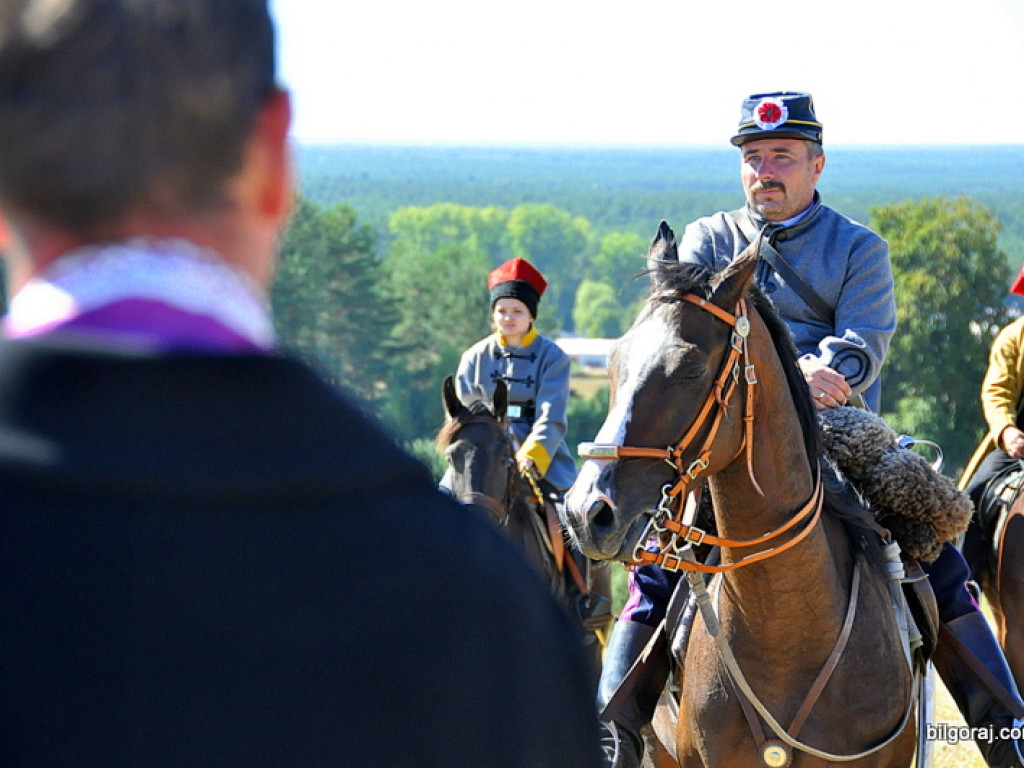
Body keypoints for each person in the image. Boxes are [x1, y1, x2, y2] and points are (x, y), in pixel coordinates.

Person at [0, 3, 604, 767]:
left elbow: (548, 413)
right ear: (276, 157)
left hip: (531, 454)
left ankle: (592, 591)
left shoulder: (545, 360)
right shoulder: (481, 610)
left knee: (579, 522)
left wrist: (537, 454)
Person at [597, 91, 1024, 768]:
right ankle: (611, 731)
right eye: (755, 157)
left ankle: (1006, 733)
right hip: (727, 439)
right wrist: (788, 369)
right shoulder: (708, 240)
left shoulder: (859, 248)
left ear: (816, 165)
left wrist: (808, 377)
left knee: (932, 552)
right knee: (658, 567)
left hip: (837, 431)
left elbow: (859, 348)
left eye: (782, 157)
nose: (765, 170)